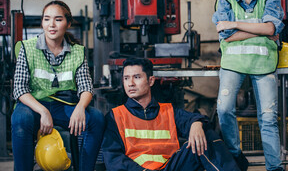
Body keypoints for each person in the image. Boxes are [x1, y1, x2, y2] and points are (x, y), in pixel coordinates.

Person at [212, 0, 285, 171]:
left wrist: (234, 24)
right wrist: (261, 30)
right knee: (224, 110)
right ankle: (235, 156)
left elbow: (272, 26)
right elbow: (226, 35)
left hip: (263, 64)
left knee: (268, 118)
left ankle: (275, 167)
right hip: (233, 64)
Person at [12, 0, 105, 171]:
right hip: (33, 105)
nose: (51, 25)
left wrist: (80, 107)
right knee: (20, 119)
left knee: (96, 118)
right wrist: (43, 111)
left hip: (64, 105)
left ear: (68, 23)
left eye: (58, 19)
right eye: (47, 19)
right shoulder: (28, 48)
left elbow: (86, 86)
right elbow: (19, 89)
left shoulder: (78, 51)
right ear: (42, 22)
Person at [102, 58, 241, 171]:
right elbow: (113, 159)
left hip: (171, 167)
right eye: (126, 78)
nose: (130, 83)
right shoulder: (115, 116)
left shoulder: (168, 111)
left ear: (151, 81)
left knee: (205, 136)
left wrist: (196, 124)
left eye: (136, 77)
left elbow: (193, 119)